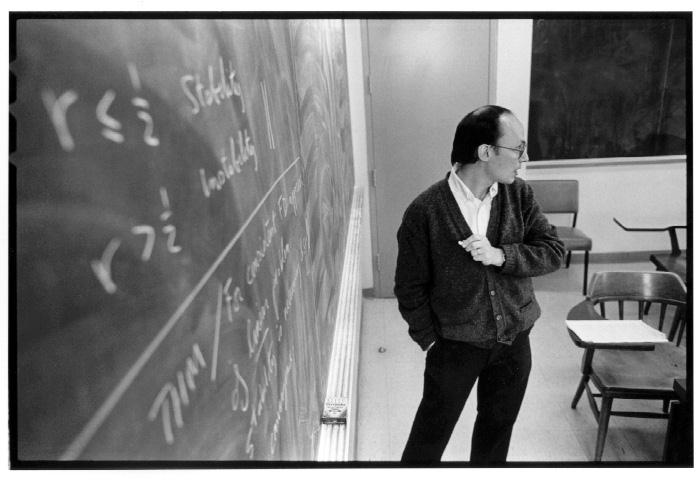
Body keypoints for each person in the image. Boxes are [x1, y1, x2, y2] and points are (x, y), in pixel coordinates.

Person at [394, 105, 564, 464]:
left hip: (514, 339)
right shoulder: (424, 211)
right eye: (518, 149)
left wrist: (502, 255)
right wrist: (431, 340)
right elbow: (409, 287)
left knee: (496, 432)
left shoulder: (519, 195)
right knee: (429, 437)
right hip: (454, 346)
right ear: (485, 152)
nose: (524, 159)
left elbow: (553, 252)